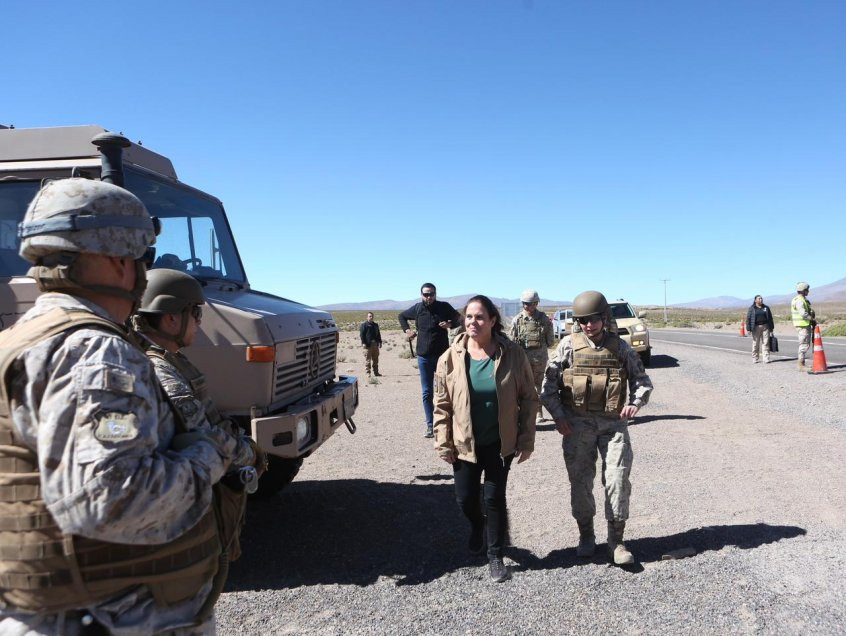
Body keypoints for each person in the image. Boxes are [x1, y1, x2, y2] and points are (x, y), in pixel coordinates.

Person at [0, 178, 242, 634]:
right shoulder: (93, 351)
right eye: (142, 258)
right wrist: (209, 456)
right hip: (115, 614)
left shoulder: (22, 339)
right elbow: (111, 498)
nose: (143, 273)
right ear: (117, 260)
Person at [132, 268, 265, 563]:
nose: (199, 322)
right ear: (170, 318)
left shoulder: (169, 360)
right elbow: (205, 437)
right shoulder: (162, 371)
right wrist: (249, 454)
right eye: (195, 314)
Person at [541, 290, 653, 566]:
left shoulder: (620, 348)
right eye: (582, 321)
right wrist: (558, 416)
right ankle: (586, 535)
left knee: (617, 480)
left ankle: (616, 541)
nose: (588, 325)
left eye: (593, 319)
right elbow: (548, 387)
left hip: (613, 426)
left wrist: (635, 404)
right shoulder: (568, 346)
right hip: (577, 427)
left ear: (603, 318)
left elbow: (642, 381)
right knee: (580, 483)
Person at [433, 295, 537, 582]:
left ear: (493, 321)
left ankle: (495, 556)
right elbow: (441, 404)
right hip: (464, 443)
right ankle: (477, 525)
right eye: (468, 317)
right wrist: (443, 442)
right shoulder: (450, 357)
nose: (472, 322)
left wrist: (526, 440)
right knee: (465, 499)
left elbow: (529, 398)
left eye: (479, 317)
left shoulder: (512, 354)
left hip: (499, 444)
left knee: (494, 499)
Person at [398, 283, 459, 438]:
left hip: (441, 357)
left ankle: (447, 423)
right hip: (424, 357)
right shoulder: (418, 309)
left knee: (444, 390)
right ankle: (430, 425)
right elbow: (402, 316)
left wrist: (449, 324)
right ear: (421, 295)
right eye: (426, 294)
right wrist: (407, 330)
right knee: (427, 392)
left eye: (431, 294)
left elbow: (459, 318)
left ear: (435, 294)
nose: (428, 297)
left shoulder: (444, 307)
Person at [509, 289, 554, 422]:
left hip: (539, 359)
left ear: (536, 303)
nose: (528, 307)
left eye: (531, 304)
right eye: (526, 304)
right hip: (522, 359)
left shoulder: (544, 319)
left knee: (538, 386)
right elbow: (512, 341)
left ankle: (538, 412)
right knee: (522, 385)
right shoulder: (517, 320)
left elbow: (550, 340)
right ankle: (523, 413)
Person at [791, 282, 815, 370]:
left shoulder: (802, 299)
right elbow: (803, 314)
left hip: (804, 324)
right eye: (807, 290)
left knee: (805, 344)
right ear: (803, 290)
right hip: (802, 325)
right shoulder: (799, 300)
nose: (808, 291)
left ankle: (802, 363)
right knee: (804, 344)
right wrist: (811, 319)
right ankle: (801, 365)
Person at [745, 295, 775, 364]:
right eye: (759, 298)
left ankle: (766, 358)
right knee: (756, 343)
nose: (761, 299)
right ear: (755, 300)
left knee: (766, 343)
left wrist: (771, 327)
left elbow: (770, 318)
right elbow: (748, 319)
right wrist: (748, 329)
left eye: (761, 298)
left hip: (766, 327)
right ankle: (755, 358)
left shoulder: (766, 308)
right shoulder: (752, 308)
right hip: (756, 327)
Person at [359, 311, 383, 376]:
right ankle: (368, 373)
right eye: (369, 316)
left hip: (375, 344)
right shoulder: (364, 325)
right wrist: (363, 343)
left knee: (376, 359)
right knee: (368, 359)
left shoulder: (375, 325)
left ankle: (376, 372)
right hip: (368, 345)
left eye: (372, 316)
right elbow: (362, 335)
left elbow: (378, 334)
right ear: (367, 317)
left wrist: (380, 342)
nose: (371, 317)